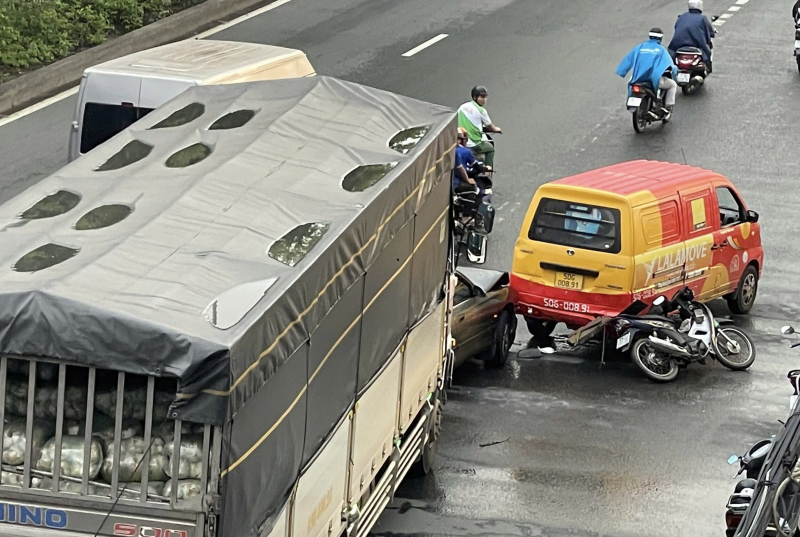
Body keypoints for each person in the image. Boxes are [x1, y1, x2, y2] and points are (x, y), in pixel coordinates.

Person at [616, 28, 678, 119]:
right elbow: (671, 65)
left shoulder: (639, 47)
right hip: (652, 81)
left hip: (638, 79)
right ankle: (668, 107)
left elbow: (627, 60)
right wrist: (675, 73)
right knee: (672, 84)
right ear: (660, 38)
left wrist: (622, 71)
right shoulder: (661, 50)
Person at [457, 86, 502, 167]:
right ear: (475, 97)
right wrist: (497, 129)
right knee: (490, 149)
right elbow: (490, 127)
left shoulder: (462, 106)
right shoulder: (481, 111)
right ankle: (487, 169)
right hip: (473, 144)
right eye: (481, 97)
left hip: (460, 139)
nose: (484, 100)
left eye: (485, 97)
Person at [668, 0, 716, 74]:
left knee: (670, 53)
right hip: (696, 45)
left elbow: (676, 27)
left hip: (678, 44)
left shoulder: (682, 17)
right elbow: (709, 32)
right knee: (707, 53)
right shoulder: (702, 18)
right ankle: (708, 69)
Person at [453, 127, 492, 193]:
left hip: (453, 181)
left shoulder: (449, 151)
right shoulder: (465, 151)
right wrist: (486, 168)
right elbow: (476, 167)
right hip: (458, 181)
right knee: (484, 183)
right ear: (460, 140)